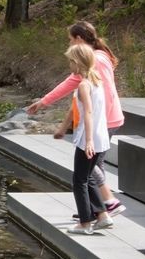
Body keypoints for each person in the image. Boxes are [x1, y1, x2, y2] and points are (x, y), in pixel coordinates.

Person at [29, 21, 126, 217]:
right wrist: (45, 103)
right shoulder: (96, 58)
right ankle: (96, 208)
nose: (70, 43)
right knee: (94, 165)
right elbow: (72, 84)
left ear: (79, 39)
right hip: (106, 118)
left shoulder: (96, 60)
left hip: (104, 119)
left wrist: (44, 102)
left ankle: (108, 203)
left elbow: (100, 92)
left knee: (89, 168)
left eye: (71, 39)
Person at [55, 43, 112, 235]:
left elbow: (88, 112)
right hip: (101, 138)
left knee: (79, 180)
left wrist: (88, 141)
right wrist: (63, 128)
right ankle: (102, 216)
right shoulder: (97, 81)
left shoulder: (84, 85)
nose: (69, 65)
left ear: (77, 63)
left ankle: (85, 223)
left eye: (70, 61)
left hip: (89, 139)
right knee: (88, 177)